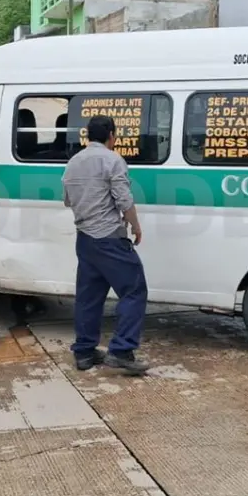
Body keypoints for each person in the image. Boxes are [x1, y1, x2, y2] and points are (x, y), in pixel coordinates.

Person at [61, 115, 150, 376]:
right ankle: (121, 351)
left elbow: (67, 200)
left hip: (85, 239)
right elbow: (123, 200)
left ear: (88, 135)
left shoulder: (73, 162)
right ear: (112, 135)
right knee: (134, 290)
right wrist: (135, 225)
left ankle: (85, 352)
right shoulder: (113, 160)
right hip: (109, 237)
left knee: (89, 296)